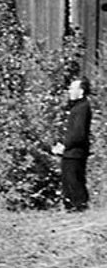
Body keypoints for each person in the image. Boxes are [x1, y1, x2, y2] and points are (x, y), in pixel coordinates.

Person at [52, 76, 93, 211]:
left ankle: (78, 207)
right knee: (69, 180)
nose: (69, 91)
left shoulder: (82, 108)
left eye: (72, 88)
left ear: (80, 91)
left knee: (74, 181)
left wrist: (65, 146)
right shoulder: (77, 107)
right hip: (72, 151)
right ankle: (72, 207)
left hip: (75, 152)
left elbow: (78, 133)